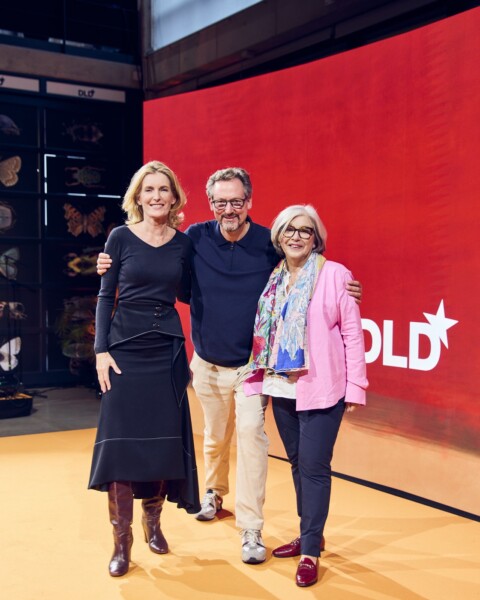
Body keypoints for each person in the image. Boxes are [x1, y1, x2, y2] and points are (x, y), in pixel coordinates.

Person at [96, 167, 362, 565]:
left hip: (253, 368)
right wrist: (109, 262)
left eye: (237, 201)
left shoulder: (268, 242)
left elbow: (304, 263)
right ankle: (212, 492)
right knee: (214, 437)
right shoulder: (195, 239)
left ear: (249, 202)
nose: (229, 208)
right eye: (221, 202)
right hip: (206, 360)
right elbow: (164, 274)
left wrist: (346, 284)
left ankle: (251, 530)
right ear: (210, 205)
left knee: (252, 440)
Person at [244, 204, 368, 587]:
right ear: (279, 237)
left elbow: (351, 332)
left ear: (316, 238)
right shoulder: (274, 278)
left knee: (314, 468)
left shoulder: (334, 275)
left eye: (305, 230)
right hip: (282, 386)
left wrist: (355, 387)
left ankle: (311, 551)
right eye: (289, 230)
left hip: (322, 388)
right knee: (298, 464)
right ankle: (310, 534)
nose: (296, 236)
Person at [88, 160, 200, 578]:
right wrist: (101, 350)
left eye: (163, 189)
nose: (156, 196)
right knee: (119, 448)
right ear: (137, 197)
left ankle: (153, 522)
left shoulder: (184, 244)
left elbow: (190, 293)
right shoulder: (119, 238)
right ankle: (123, 541)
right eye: (148, 189)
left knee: (160, 444)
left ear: (174, 198)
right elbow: (104, 297)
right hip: (122, 351)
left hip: (166, 351)